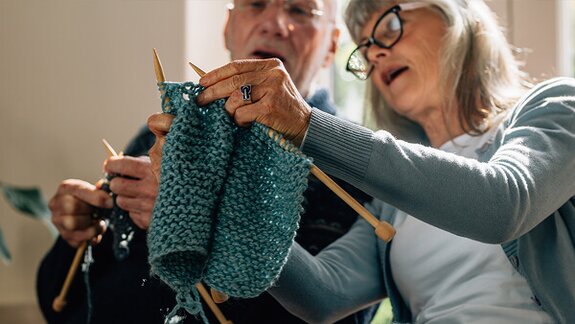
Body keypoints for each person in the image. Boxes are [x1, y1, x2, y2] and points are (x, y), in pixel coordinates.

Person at [148, 0, 575, 322]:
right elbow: (324, 295)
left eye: (389, 26)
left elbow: (501, 203)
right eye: (365, 47)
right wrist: (219, 199)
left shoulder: (556, 105)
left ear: (459, 17)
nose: (374, 53)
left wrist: (307, 125)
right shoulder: (394, 202)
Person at [37, 0, 378, 323]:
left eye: (300, 10)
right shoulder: (170, 131)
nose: (274, 24)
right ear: (228, 28)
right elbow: (59, 302)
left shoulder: (350, 160)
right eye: (256, 4)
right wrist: (79, 237)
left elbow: (339, 313)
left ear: (332, 45)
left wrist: (193, 215)